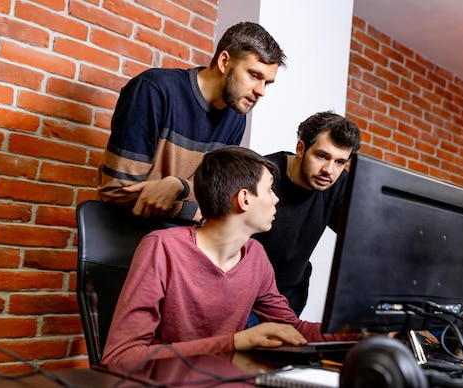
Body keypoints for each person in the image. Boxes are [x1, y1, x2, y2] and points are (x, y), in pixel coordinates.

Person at [100, 146, 359, 365]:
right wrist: (234, 342)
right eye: (270, 189)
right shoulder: (163, 248)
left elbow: (293, 328)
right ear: (244, 199)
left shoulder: (255, 255)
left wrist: (359, 334)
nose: (276, 199)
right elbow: (120, 356)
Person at [97, 22, 286, 223]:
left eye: (267, 82)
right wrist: (192, 211)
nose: (261, 91)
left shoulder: (236, 115)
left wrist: (180, 186)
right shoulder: (154, 91)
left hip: (187, 240)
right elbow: (116, 191)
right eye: (254, 75)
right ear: (224, 61)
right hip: (125, 235)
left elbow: (218, 195)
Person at [253, 111, 361, 315]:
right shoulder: (262, 175)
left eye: (340, 162)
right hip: (246, 297)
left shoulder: (338, 184)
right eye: (322, 156)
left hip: (288, 302)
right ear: (301, 148)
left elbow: (359, 236)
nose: (329, 170)